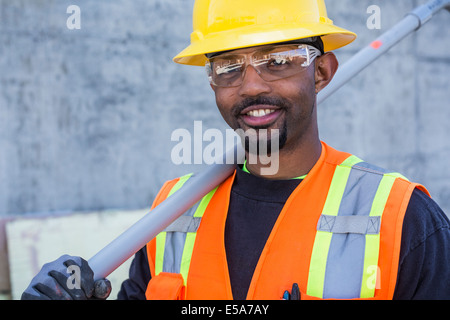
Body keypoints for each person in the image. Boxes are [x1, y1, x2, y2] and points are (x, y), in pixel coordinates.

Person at [22, 0, 449, 300]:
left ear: (321, 71)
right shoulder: (173, 214)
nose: (251, 87)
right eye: (228, 67)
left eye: (278, 61)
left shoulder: (403, 220)